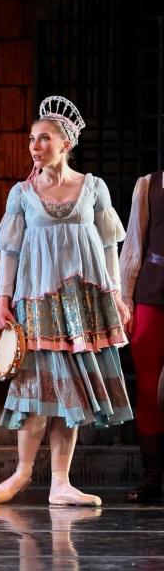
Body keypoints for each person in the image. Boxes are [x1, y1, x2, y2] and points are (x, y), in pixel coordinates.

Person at [0, 96, 132, 506]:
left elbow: (108, 246)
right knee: (36, 387)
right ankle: (22, 473)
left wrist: (116, 295)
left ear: (65, 144)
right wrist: (2, 300)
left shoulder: (93, 188)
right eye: (32, 139)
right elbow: (10, 252)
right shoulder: (22, 194)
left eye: (44, 138)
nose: (35, 146)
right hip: (37, 302)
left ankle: (60, 483)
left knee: (71, 392)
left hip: (81, 304)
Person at [120, 170, 164, 502]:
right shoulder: (149, 184)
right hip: (152, 294)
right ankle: (152, 476)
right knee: (148, 388)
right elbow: (134, 244)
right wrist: (126, 301)